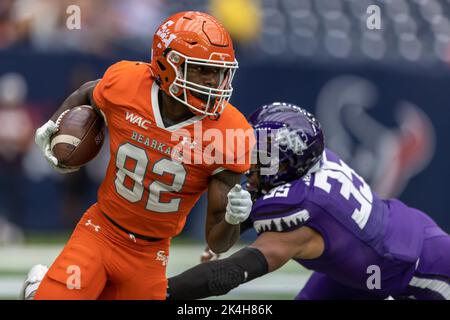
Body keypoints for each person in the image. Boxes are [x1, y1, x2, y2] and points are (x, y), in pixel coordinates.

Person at [30, 11, 254, 300]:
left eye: (220, 72)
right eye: (202, 70)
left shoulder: (229, 131)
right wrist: (54, 124)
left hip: (150, 253)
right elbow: (89, 93)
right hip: (100, 231)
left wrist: (234, 219)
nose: (214, 82)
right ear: (168, 64)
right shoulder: (127, 83)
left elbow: (218, 242)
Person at [165, 102, 450, 300]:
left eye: (260, 155)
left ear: (285, 162)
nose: (249, 161)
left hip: (420, 267)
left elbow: (229, 274)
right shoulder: (310, 165)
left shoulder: (303, 214)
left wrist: (159, 292)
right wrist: (233, 221)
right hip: (367, 261)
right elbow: (230, 232)